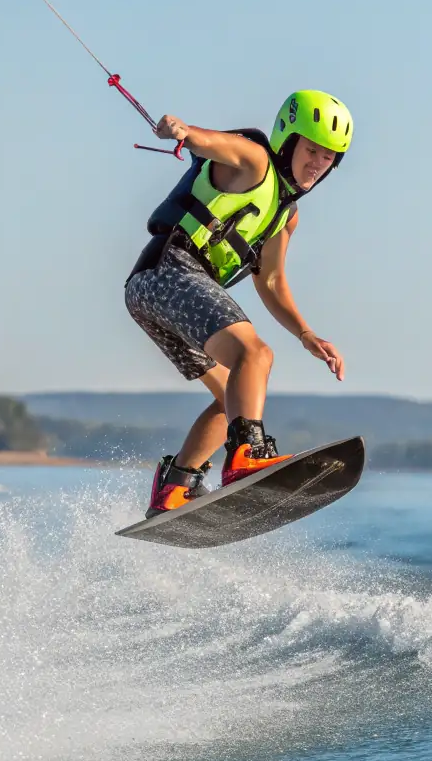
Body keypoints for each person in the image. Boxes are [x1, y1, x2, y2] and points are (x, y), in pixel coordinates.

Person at [125, 89, 352, 516]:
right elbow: (209, 142)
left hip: (153, 292)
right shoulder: (255, 161)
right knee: (255, 354)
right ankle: (247, 456)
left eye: (330, 157)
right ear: (288, 142)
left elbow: (270, 280)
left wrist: (306, 334)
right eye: (313, 149)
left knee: (234, 393)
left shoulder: (286, 214)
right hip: (169, 270)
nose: (320, 162)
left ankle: (175, 487)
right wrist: (181, 130)